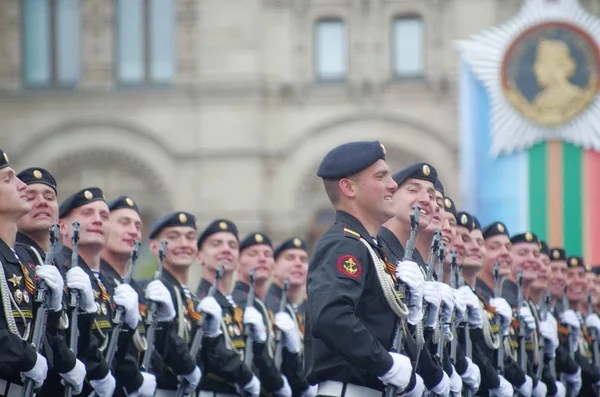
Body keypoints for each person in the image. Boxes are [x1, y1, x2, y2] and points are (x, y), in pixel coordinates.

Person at [305, 141, 424, 397]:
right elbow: (331, 317)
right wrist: (386, 364)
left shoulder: (369, 247)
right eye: (381, 176)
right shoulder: (343, 245)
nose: (393, 184)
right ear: (348, 188)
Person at [0, 149, 84, 396]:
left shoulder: (23, 262)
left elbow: (39, 334)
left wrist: (57, 309)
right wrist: (26, 358)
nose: (21, 186)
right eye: (8, 179)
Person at [378, 163, 451, 396]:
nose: (427, 200)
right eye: (412, 190)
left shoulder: (415, 265)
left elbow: (423, 341)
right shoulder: (376, 252)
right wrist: (430, 375)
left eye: (431, 194)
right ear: (389, 197)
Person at [194, 218, 261, 396]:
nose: (226, 249)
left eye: (232, 245)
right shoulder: (199, 302)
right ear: (199, 255)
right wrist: (246, 377)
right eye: (216, 244)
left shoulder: (237, 307)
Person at [232, 232, 293, 396]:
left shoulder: (265, 306)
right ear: (237, 263)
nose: (262, 259)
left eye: (267, 254)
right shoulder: (237, 302)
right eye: (253, 254)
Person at [266, 236, 315, 396]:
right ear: (273, 267)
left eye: (303, 259)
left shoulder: (305, 311)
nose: (298, 263)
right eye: (290, 258)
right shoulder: (268, 307)